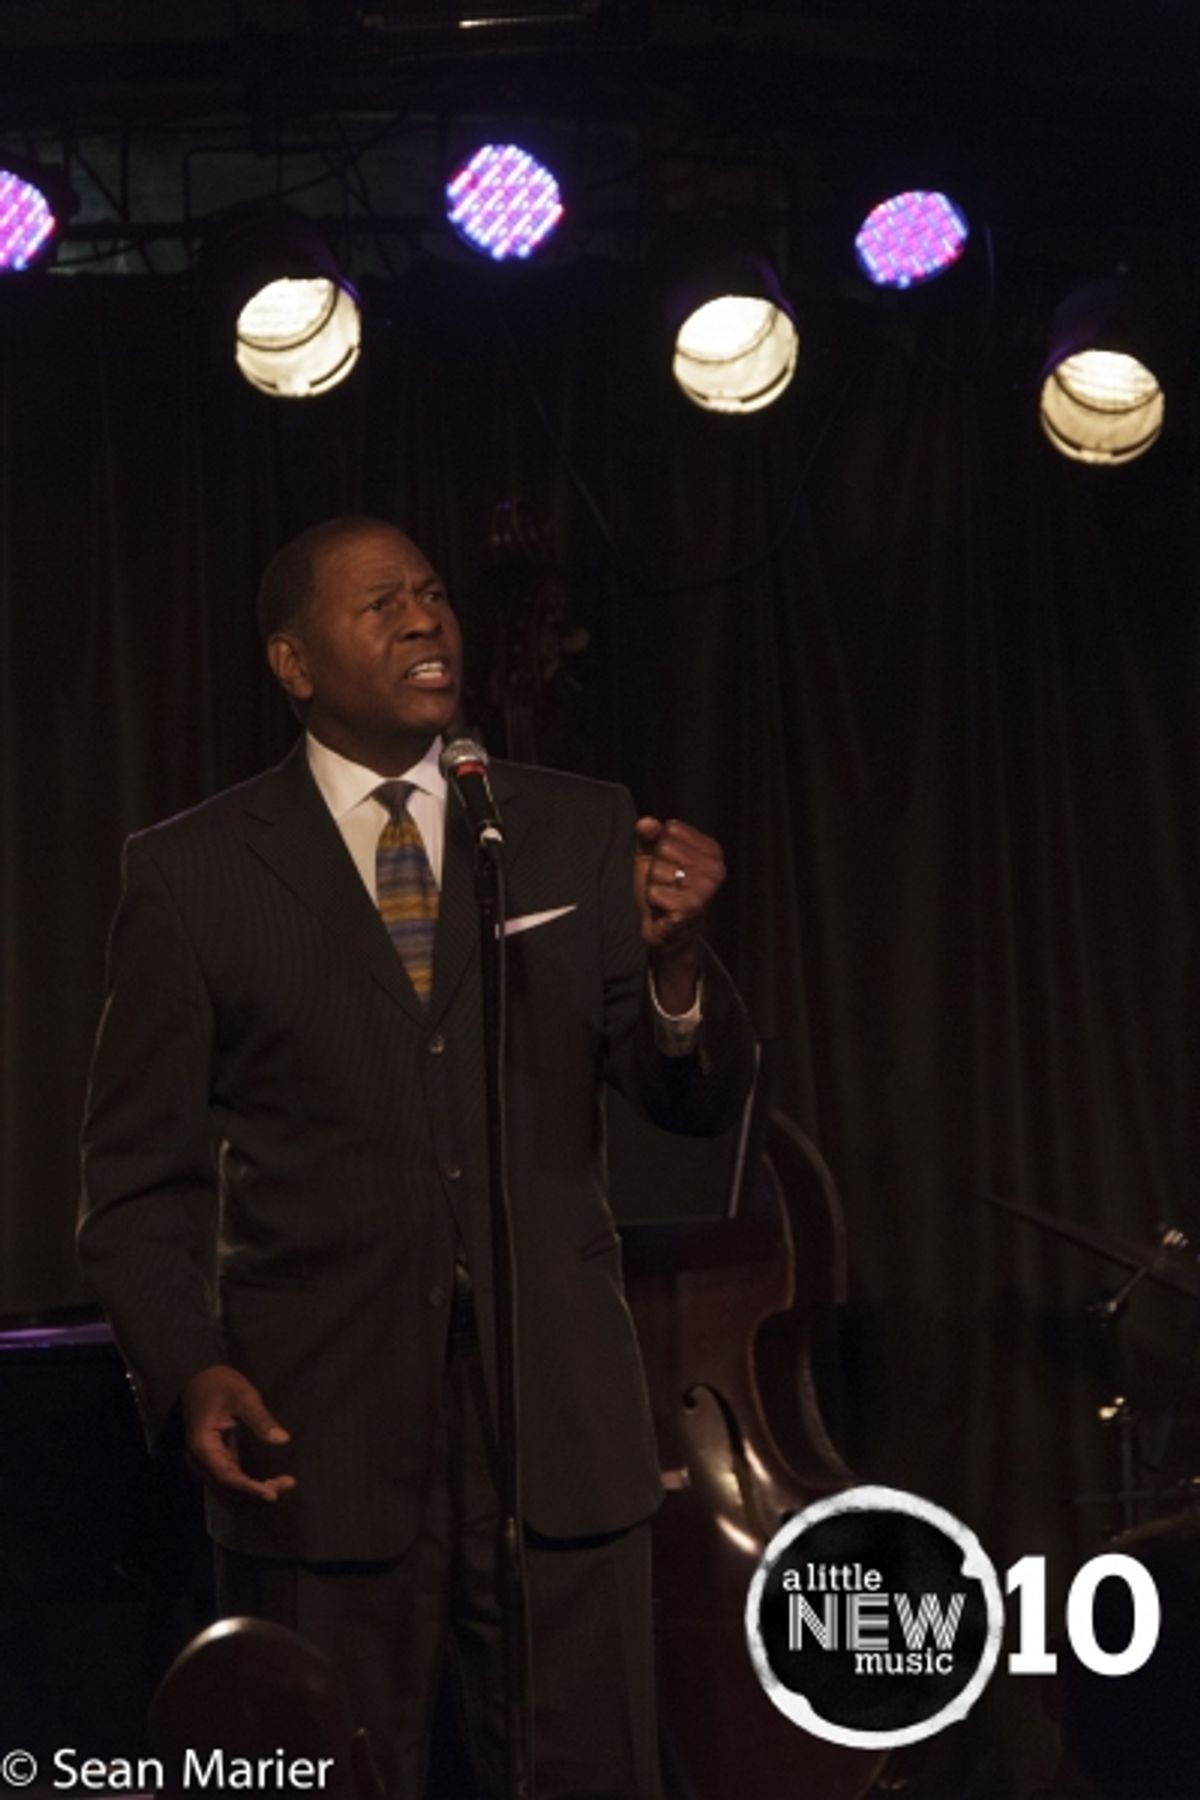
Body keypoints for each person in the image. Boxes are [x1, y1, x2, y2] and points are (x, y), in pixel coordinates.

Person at [78, 516, 755, 1799]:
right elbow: (133, 1184)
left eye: (433, 595)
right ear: (292, 662)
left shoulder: (569, 827)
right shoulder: (192, 874)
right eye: (380, 602)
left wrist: (674, 969)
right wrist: (190, 1362)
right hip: (318, 1443)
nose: (425, 620)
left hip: (554, 1429)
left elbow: (690, 1098)